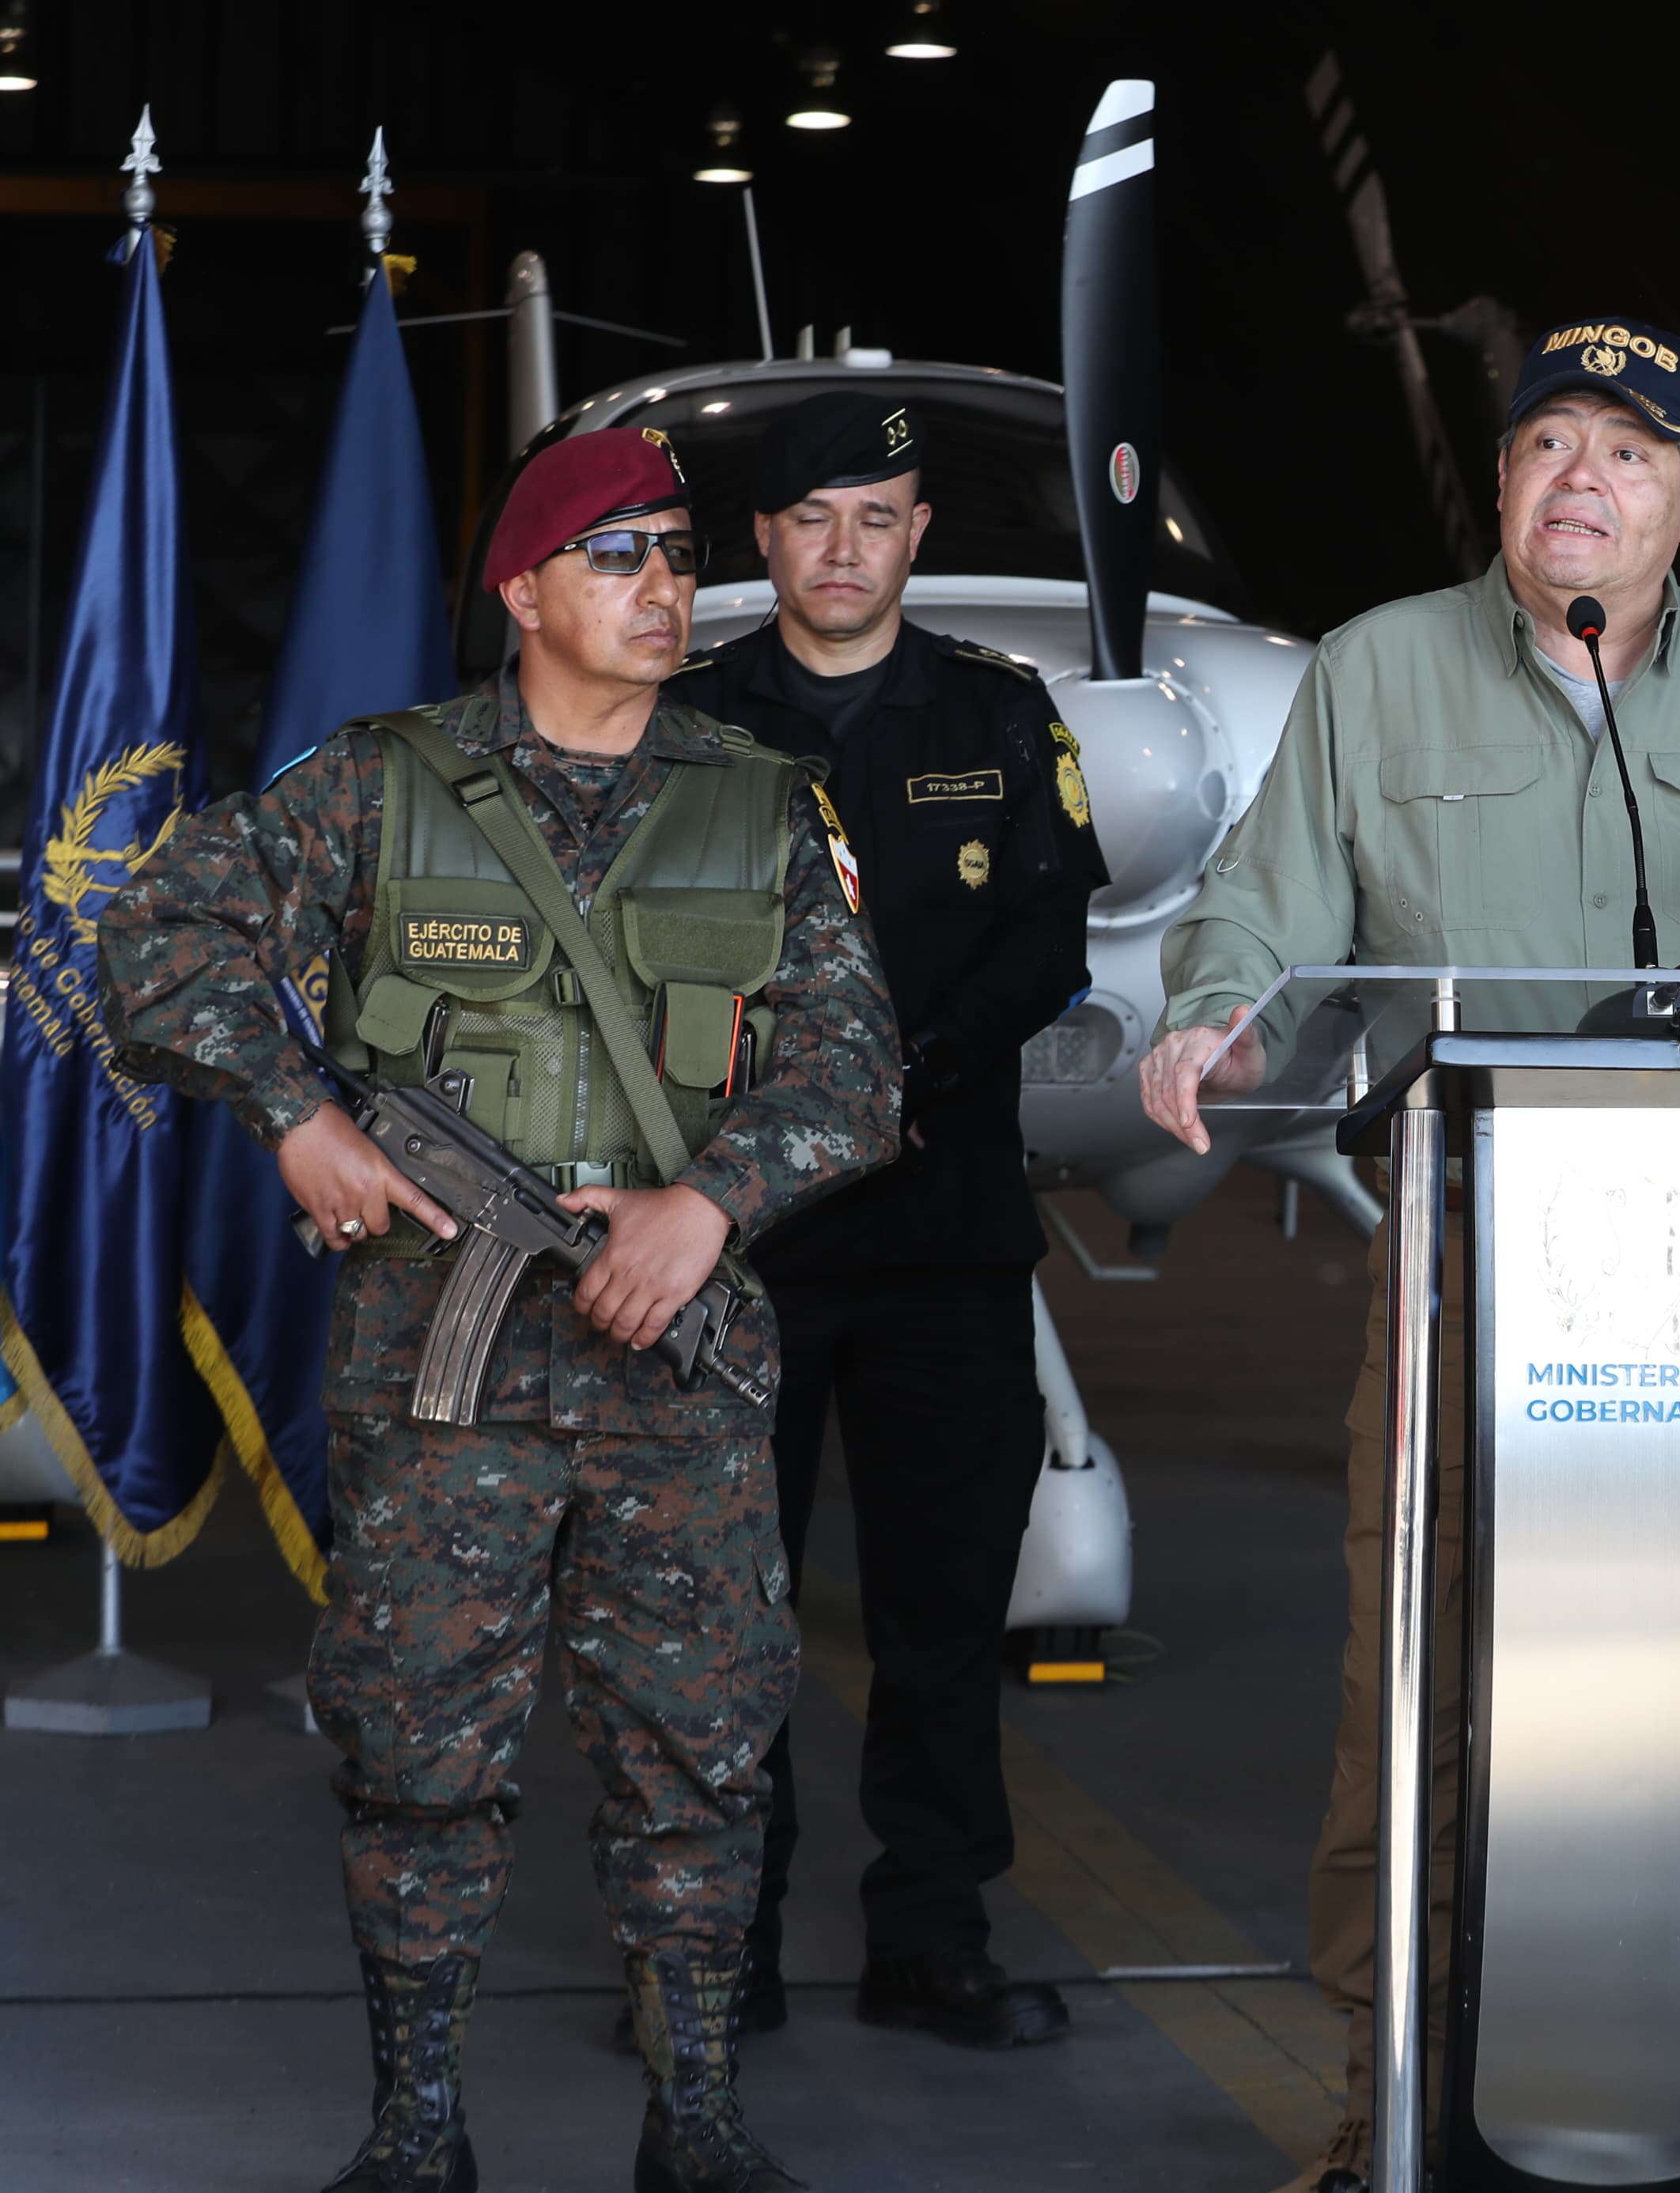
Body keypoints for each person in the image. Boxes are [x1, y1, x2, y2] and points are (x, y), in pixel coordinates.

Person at [1133, 318, 1680, 2193]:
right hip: (1469, 1254)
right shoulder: (1383, 669)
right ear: (1505, 484)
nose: (1583, 482)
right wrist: (1210, 1015)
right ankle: (1392, 2105)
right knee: (1425, 1692)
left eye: (1629, 455)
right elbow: (1266, 902)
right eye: (1551, 443)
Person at [99, 426, 902, 2193]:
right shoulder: (382, 788)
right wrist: (297, 1114)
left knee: (697, 1752)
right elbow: (154, 930)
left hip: (672, 1367)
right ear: (523, 589)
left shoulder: (764, 802)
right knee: (413, 1749)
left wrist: (709, 1203)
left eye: (682, 556)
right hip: (435, 1374)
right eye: (620, 557)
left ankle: (694, 2119)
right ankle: (418, 2127)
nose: (667, 589)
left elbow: (857, 1068)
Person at [661, 391, 1107, 2052]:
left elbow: (1046, 940)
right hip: (736, 1244)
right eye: (810, 520)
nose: (842, 550)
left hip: (942, 1233)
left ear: (920, 538)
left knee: (938, 1611)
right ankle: (722, 1941)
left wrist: (892, 1079)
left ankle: (934, 1934)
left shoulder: (996, 716)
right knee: (719, 1612)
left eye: (877, 518)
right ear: (761, 544)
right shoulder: (684, 722)